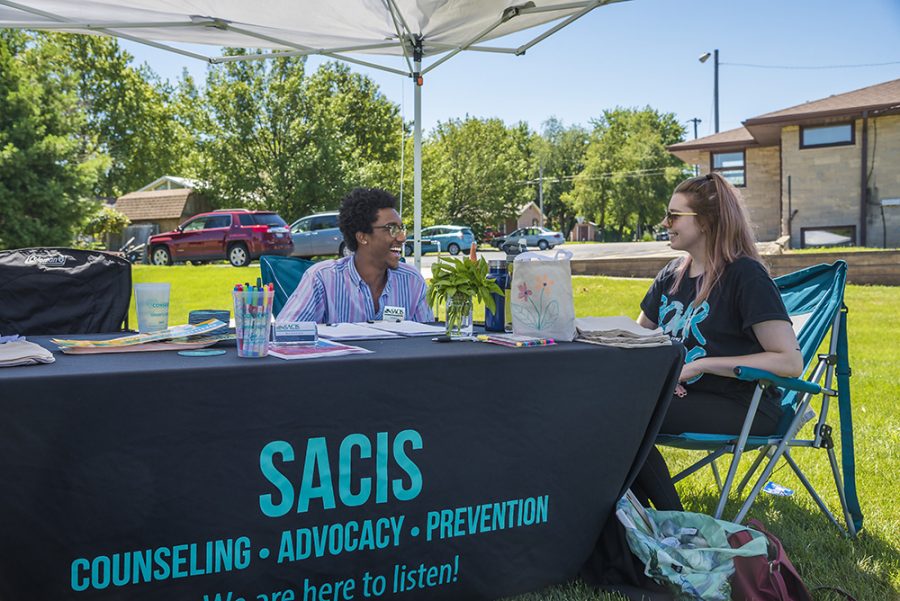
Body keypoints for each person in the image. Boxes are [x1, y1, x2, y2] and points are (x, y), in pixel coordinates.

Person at [633, 172, 803, 510]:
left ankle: (673, 525)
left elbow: (788, 361)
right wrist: (663, 376)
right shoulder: (671, 275)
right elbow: (638, 341)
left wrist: (697, 366)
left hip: (744, 403)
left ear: (707, 222)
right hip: (682, 396)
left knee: (626, 414)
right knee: (603, 405)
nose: (665, 222)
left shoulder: (745, 277)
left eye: (674, 215)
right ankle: (625, 525)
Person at [277, 188, 433, 324]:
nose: (402, 238)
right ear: (362, 237)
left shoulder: (412, 280)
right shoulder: (322, 279)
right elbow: (286, 333)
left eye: (401, 229)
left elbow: (427, 342)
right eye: (391, 229)